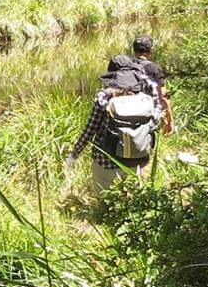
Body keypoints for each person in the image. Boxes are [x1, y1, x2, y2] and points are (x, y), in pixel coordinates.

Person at [68, 53, 163, 189]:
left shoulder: (104, 96)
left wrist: (74, 154)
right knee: (131, 200)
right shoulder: (147, 94)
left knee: (104, 201)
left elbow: (90, 130)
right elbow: (156, 119)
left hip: (105, 160)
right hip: (137, 160)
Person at [132, 33, 174, 135]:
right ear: (150, 51)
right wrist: (170, 121)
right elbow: (163, 96)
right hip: (148, 112)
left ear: (134, 50)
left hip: (125, 110)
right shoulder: (154, 68)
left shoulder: (125, 64)